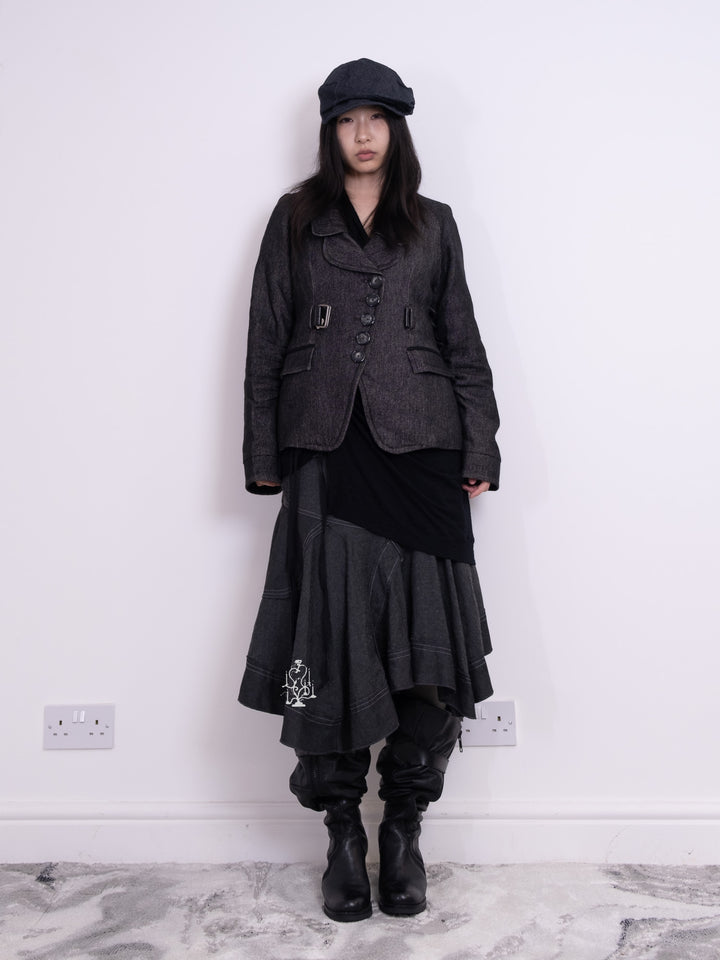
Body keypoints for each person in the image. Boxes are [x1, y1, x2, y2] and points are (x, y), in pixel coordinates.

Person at [239, 58, 501, 923]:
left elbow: (462, 343)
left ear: (398, 129)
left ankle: (406, 828)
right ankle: (343, 832)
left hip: (423, 448)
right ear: (330, 131)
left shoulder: (435, 223)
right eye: (348, 119)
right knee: (324, 641)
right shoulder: (295, 218)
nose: (363, 134)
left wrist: (481, 444)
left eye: (378, 119)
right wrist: (264, 453)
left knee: (430, 647)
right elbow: (266, 338)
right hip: (324, 447)